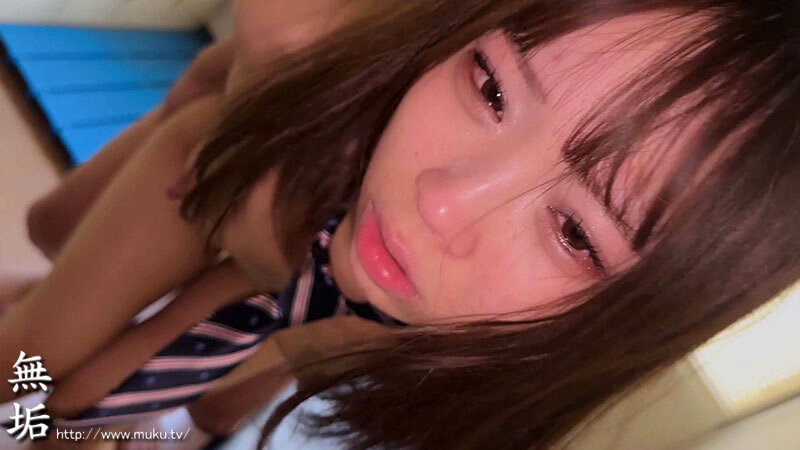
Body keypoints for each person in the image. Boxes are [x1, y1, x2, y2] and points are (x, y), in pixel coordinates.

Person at [3, 0, 800, 449]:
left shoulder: (454, 375)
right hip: (249, 162)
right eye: (491, 88)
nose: (444, 201)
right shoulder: (296, 85)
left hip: (307, 269)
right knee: (41, 333)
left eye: (577, 234)